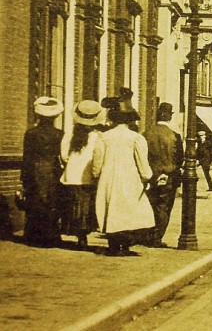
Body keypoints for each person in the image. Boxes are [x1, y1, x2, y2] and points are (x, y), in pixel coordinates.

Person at [92, 89, 155, 256]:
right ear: (130, 120)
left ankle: (113, 245)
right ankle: (125, 245)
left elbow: (97, 161)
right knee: (128, 210)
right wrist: (147, 176)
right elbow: (143, 163)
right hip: (130, 179)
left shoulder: (104, 137)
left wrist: (96, 174)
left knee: (111, 208)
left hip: (109, 178)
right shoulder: (136, 138)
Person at [21, 96, 65, 247]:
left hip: (35, 169)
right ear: (55, 116)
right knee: (52, 202)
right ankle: (51, 236)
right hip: (54, 170)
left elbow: (27, 157)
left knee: (35, 201)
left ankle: (33, 236)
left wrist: (24, 177)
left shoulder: (31, 134)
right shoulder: (60, 134)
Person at [60, 100, 103, 250]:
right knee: (86, 207)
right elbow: (99, 156)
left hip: (71, 176)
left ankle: (79, 236)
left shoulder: (70, 134)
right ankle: (84, 235)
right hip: (88, 176)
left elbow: (64, 155)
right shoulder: (98, 136)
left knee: (74, 206)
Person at [142, 102, 183, 248]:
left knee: (151, 205)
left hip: (151, 176)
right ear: (170, 117)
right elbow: (180, 159)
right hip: (169, 176)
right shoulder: (175, 136)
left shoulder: (146, 134)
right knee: (164, 207)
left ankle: (147, 234)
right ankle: (157, 238)